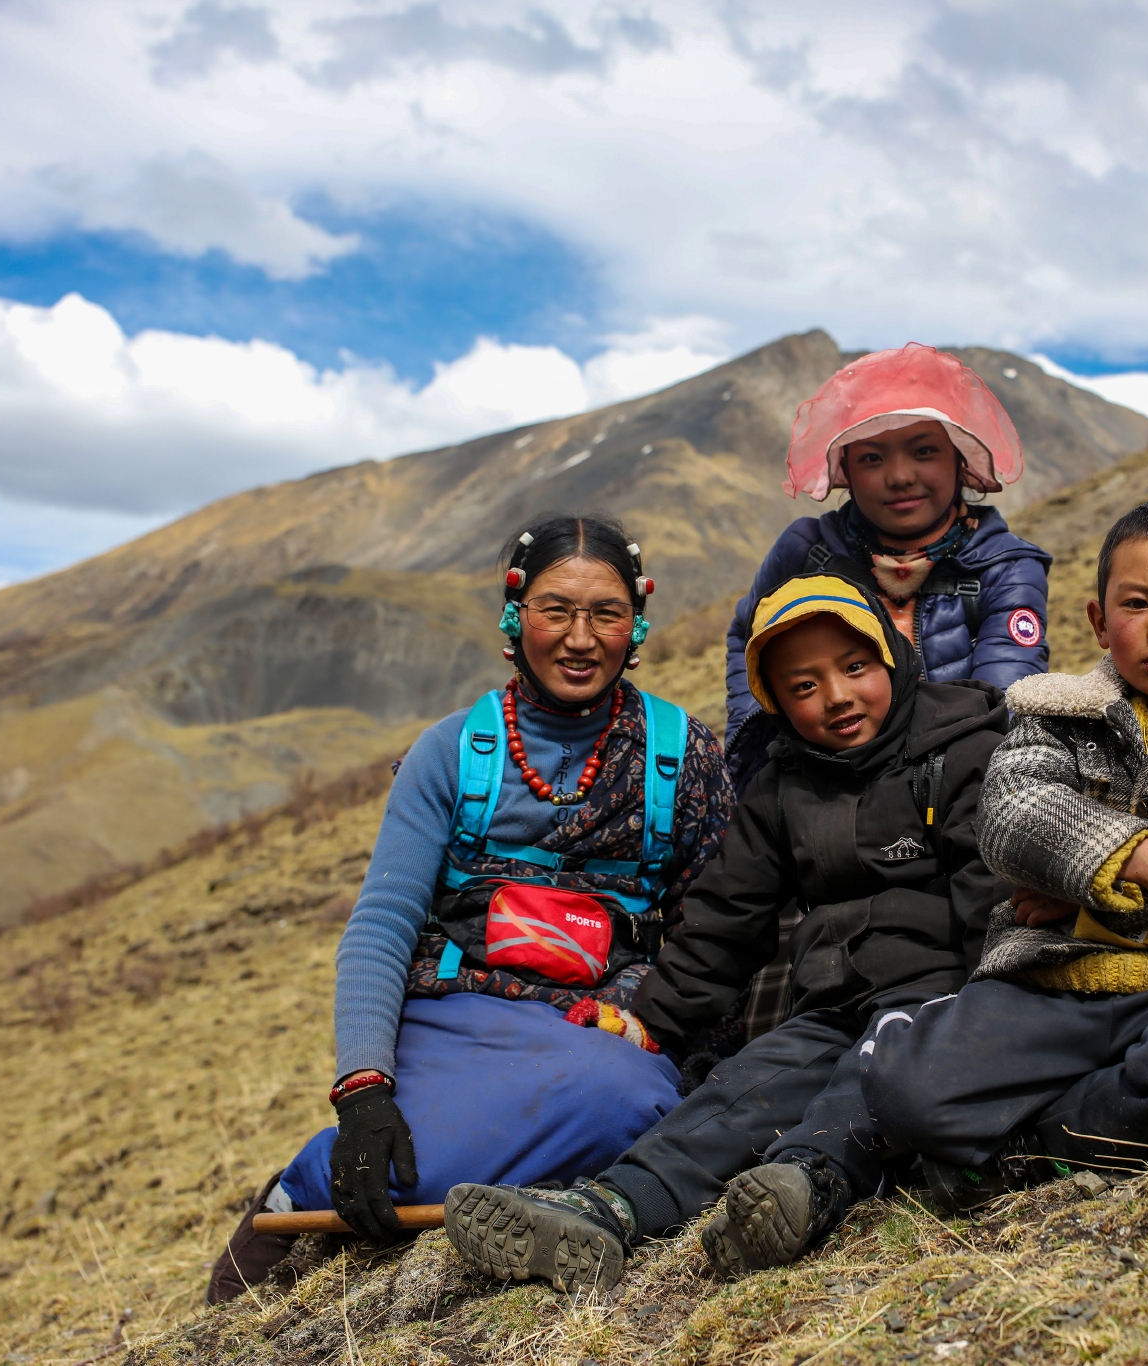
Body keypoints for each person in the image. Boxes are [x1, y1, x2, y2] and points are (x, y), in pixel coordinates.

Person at [205, 515, 733, 1304]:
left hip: (605, 1031)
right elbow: (382, 926)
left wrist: (676, 1036)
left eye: (606, 613)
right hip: (452, 1018)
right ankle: (301, 1190)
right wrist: (364, 1091)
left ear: (638, 624)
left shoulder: (684, 755)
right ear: (515, 616)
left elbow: (716, 927)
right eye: (556, 610)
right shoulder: (450, 751)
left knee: (634, 1103)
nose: (580, 638)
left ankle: (345, 1186)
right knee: (395, 1157)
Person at [439, 572, 1011, 1291]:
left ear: (893, 657)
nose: (836, 697)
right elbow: (725, 920)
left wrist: (994, 1018)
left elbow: (995, 898)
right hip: (832, 1007)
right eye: (804, 686)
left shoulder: (962, 748)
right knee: (740, 1089)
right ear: (776, 703)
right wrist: (653, 1020)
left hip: (939, 1005)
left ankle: (805, 1185)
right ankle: (609, 1208)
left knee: (870, 1084)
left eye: (855, 667)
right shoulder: (782, 787)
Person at [862, 496, 1148, 1208]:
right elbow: (1009, 815)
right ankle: (1058, 1120)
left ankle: (1026, 1150)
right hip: (1054, 977)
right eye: (1137, 603)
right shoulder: (1053, 713)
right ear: (1099, 621)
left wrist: (1082, 888)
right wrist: (1138, 862)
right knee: (905, 1091)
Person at [723, 344, 1052, 792]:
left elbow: (1003, 711)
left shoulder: (1004, 569)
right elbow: (747, 639)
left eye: (924, 451)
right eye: (872, 458)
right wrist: (763, 741)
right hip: (814, 793)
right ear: (846, 469)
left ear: (958, 460)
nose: (899, 477)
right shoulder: (806, 552)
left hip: (952, 799)